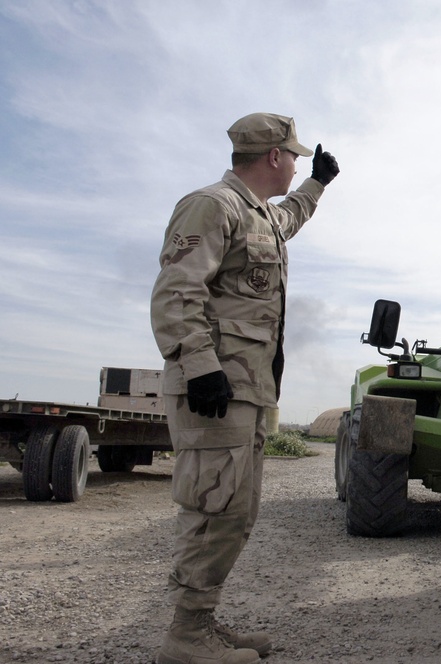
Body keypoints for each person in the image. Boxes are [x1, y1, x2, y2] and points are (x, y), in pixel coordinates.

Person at [150, 113, 339, 664]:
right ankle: (186, 638)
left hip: (246, 389)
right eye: (297, 158)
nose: (299, 163)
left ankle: (200, 623)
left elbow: (290, 218)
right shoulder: (212, 205)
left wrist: (318, 185)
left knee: (234, 511)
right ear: (274, 156)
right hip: (215, 386)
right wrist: (199, 364)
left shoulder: (257, 214)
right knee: (214, 509)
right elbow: (176, 291)